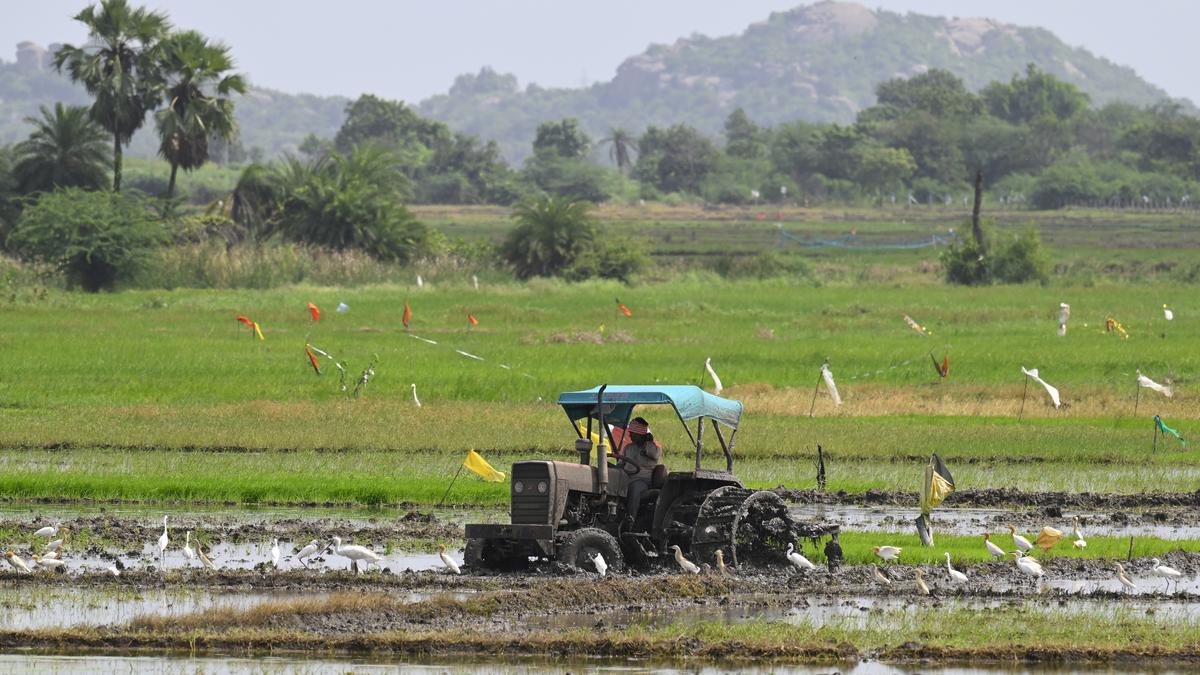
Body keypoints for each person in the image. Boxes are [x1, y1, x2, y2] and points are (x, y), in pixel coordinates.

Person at [617, 417, 661, 524]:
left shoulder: (652, 448)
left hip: (642, 480)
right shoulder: (628, 447)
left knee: (634, 487)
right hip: (626, 478)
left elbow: (655, 455)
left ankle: (630, 518)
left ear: (640, 435)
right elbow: (620, 464)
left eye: (632, 433)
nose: (629, 435)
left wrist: (648, 441)